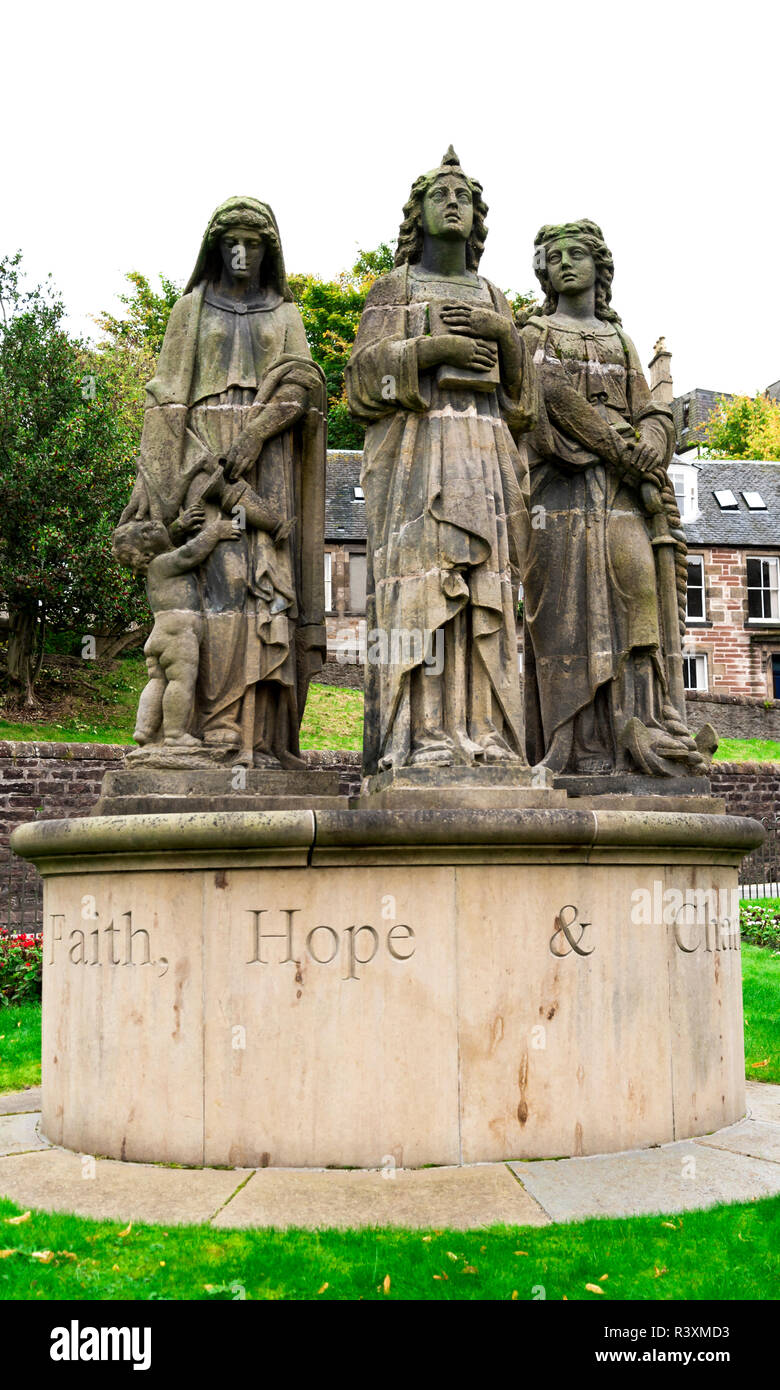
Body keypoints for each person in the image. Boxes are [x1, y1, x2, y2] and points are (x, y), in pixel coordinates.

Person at [117, 196, 326, 766]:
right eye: (230, 241)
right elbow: (166, 396)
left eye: (252, 242)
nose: (240, 252)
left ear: (269, 249)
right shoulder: (191, 308)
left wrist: (257, 432)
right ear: (214, 246)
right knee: (214, 586)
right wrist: (153, 476)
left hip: (268, 458)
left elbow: (303, 382)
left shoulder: (285, 314)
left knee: (260, 591)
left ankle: (257, 736)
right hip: (199, 459)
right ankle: (207, 727)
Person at [346, 148, 536, 773]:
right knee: (423, 593)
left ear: (478, 218)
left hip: (484, 454)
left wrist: (504, 335)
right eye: (439, 195)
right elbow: (359, 383)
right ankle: (424, 734)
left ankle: (487, 733)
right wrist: (433, 348)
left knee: (485, 592)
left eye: (464, 197)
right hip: (416, 458)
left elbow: (524, 404)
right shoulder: (392, 288)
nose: (453, 203)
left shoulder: (495, 296)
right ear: (418, 214)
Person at [518, 219, 703, 776]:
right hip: (559, 496)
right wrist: (615, 446)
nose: (567, 263)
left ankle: (641, 726)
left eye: (579, 254)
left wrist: (650, 440)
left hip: (622, 497)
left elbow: (650, 411)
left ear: (601, 269)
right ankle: (567, 743)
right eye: (556, 256)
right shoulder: (533, 335)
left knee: (637, 593)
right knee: (563, 618)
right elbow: (539, 408)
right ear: (543, 271)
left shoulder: (620, 340)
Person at [113, 516, 239, 748]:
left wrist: (178, 526)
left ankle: (144, 729)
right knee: (181, 681)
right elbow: (189, 554)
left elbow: (175, 544)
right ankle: (174, 734)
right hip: (178, 633)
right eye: (145, 533)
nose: (152, 524)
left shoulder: (153, 570)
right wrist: (216, 531)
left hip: (159, 635)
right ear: (147, 552)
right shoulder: (162, 564)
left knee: (157, 681)